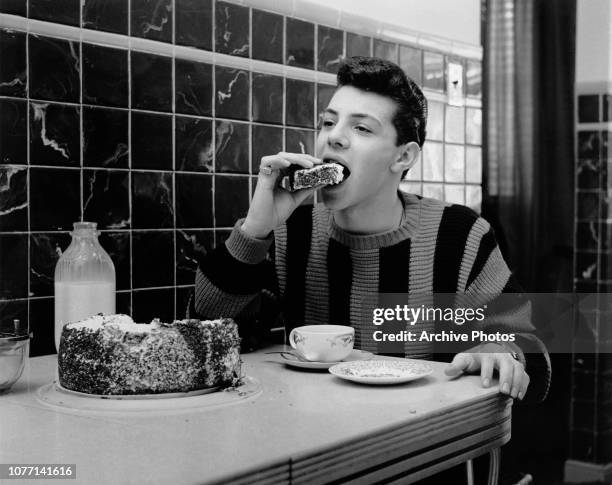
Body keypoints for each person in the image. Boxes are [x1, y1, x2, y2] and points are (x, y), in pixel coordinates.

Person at [189, 56, 551, 404]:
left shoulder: (460, 235)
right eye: (328, 123)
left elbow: (532, 350)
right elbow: (205, 331)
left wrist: (502, 349)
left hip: (428, 445)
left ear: (403, 156)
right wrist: (255, 228)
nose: (334, 138)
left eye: (361, 128)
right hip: (315, 438)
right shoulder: (290, 233)